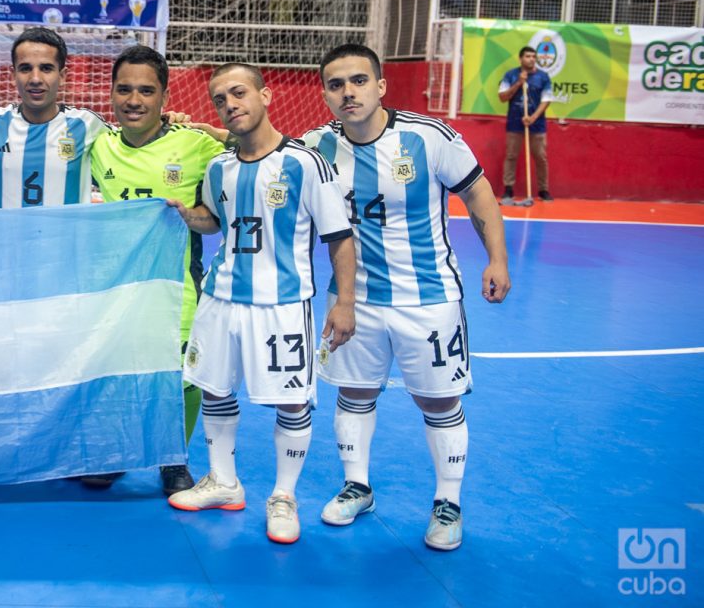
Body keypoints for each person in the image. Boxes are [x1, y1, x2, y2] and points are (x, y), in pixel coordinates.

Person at [304, 43, 511, 553]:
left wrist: (498, 259)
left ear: (380, 86)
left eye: (357, 80)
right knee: (354, 392)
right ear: (326, 94)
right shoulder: (316, 147)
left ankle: (448, 503)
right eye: (336, 84)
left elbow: (479, 193)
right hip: (354, 299)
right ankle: (357, 486)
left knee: (438, 399)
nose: (347, 92)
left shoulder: (429, 137)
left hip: (429, 297)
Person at [165, 64, 356, 545]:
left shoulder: (306, 163)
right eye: (220, 99)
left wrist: (345, 301)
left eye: (238, 93)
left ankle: (284, 496)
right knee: (213, 389)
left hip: (282, 305)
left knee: (291, 401)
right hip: (221, 298)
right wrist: (188, 215)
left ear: (266, 95)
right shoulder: (218, 167)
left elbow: (338, 237)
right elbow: (215, 221)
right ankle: (224, 481)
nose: (230, 104)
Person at [90, 45, 231, 496]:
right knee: (114, 372)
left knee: (183, 377)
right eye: (125, 89)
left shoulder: (196, 145)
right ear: (110, 94)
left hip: (178, 287)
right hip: (115, 288)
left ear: (165, 96)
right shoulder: (98, 145)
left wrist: (211, 127)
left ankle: (174, 459)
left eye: (146, 91)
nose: (134, 100)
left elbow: (257, 143)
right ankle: (115, 453)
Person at [0, 28, 107, 210]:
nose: (35, 78)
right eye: (26, 68)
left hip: (65, 238)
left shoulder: (87, 124)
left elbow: (130, 147)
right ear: (13, 75)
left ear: (62, 76)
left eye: (46, 68)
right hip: (4, 238)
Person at [497, 45, 552, 204]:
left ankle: (543, 190)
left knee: (541, 157)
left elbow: (546, 100)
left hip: (537, 124)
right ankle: (508, 189)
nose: (531, 59)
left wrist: (533, 117)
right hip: (514, 122)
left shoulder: (543, 77)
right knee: (511, 156)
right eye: (528, 56)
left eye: (534, 56)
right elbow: (502, 97)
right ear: (521, 59)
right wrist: (519, 83)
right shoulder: (510, 75)